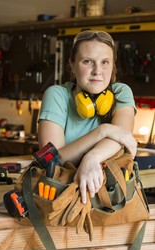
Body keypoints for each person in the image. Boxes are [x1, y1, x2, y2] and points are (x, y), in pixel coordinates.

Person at [38, 30, 137, 204]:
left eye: (105, 62)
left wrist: (92, 158)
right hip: (61, 198)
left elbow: (123, 137)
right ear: (72, 64)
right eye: (87, 62)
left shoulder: (121, 92)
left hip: (109, 198)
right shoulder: (57, 95)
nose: (97, 71)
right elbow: (52, 160)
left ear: (112, 66)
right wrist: (103, 131)